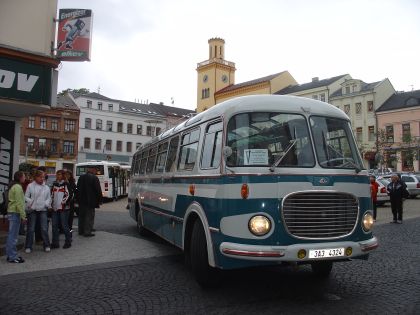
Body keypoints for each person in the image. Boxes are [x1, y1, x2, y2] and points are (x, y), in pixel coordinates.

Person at [25, 170, 51, 252]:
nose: (42, 179)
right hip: (33, 209)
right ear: (36, 177)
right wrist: (31, 203)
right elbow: (26, 197)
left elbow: (49, 198)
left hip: (43, 209)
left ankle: (46, 245)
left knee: (44, 228)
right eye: (40, 177)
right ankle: (28, 246)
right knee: (31, 229)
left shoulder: (46, 187)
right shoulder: (30, 186)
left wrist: (45, 204)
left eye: (43, 177)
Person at [5, 171, 26, 263]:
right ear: (20, 177)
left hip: (12, 212)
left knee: (11, 235)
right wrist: (23, 216)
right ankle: (12, 256)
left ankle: (10, 254)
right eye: (24, 176)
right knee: (13, 236)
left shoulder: (13, 186)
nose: (25, 178)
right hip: (15, 213)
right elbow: (19, 203)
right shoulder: (17, 187)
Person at [77, 167, 102, 237]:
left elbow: (78, 188)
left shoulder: (81, 177)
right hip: (90, 201)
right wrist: (100, 200)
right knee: (89, 216)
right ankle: (87, 231)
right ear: (93, 170)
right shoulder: (94, 178)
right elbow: (98, 190)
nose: (96, 172)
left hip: (81, 200)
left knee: (81, 216)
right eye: (95, 170)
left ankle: (81, 230)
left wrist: (78, 199)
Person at [51, 170, 72, 249]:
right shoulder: (54, 184)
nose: (57, 176)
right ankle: (55, 243)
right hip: (55, 208)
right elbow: (52, 195)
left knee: (64, 225)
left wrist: (63, 203)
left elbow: (69, 195)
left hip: (64, 208)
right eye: (57, 174)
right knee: (54, 226)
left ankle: (68, 241)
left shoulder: (66, 184)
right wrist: (51, 204)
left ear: (63, 175)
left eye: (59, 174)